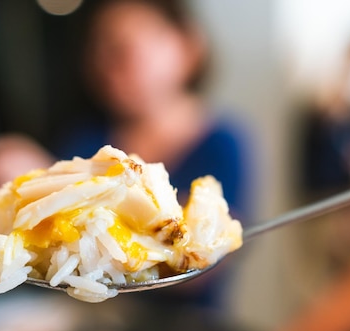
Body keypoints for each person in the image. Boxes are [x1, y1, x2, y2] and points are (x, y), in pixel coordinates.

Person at [52, 0, 255, 307]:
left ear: (188, 47)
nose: (109, 62)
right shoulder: (85, 138)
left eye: (126, 46)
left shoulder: (222, 142)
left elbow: (208, 258)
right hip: (86, 326)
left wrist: (52, 188)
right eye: (100, 48)